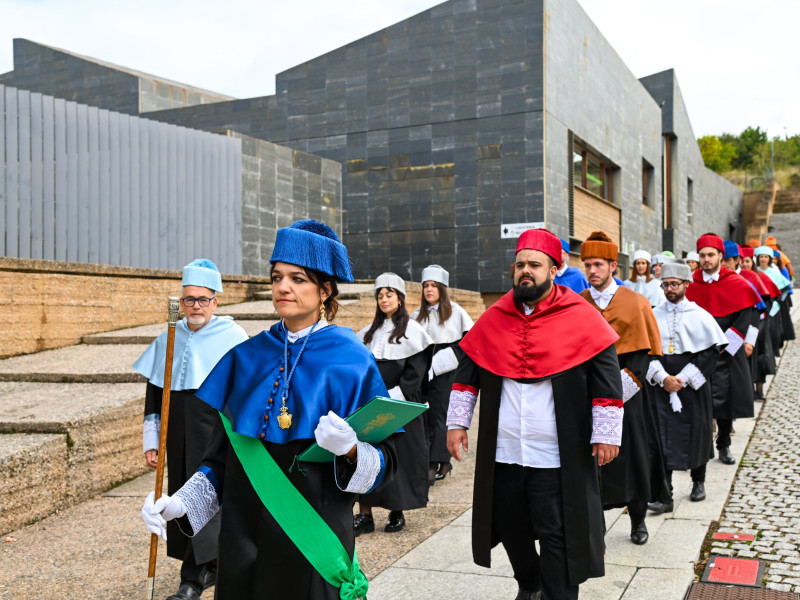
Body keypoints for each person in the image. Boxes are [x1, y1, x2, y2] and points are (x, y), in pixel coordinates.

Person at [141, 220, 398, 600]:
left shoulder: (353, 359)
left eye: (298, 278)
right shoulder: (246, 356)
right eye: (277, 277)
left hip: (312, 540)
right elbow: (221, 460)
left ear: (325, 290)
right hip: (242, 540)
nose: (283, 287)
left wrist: (351, 449)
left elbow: (388, 462)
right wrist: (180, 502)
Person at [446, 227, 623, 600]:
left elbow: (607, 380)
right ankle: (529, 584)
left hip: (557, 455)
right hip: (506, 453)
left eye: (535, 265)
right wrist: (457, 423)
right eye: (520, 264)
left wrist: (607, 432)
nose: (526, 271)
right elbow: (467, 375)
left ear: (554, 269)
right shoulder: (495, 317)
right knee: (511, 528)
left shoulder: (582, 316)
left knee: (559, 533)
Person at [133, 259, 248, 600]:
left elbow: (242, 391)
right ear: (180, 302)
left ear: (216, 301)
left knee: (212, 495)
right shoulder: (170, 335)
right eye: (188, 300)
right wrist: (153, 440)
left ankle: (194, 578)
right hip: (178, 434)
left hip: (216, 432)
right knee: (179, 496)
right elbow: (155, 393)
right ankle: (204, 565)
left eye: (202, 299)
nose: (195, 306)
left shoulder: (233, 338)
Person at [579, 232, 669, 546]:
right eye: (588, 264)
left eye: (599, 264)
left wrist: (614, 398)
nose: (592, 270)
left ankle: (638, 521)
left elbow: (642, 360)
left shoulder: (636, 303)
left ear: (613, 266)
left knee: (634, 460)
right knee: (592, 464)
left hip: (628, 396)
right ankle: (596, 523)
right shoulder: (578, 305)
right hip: (588, 397)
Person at [355, 273, 434, 534]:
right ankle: (364, 515)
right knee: (367, 457)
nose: (384, 300)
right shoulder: (367, 333)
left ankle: (396, 511)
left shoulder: (415, 333)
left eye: (389, 295)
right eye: (380, 296)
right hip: (371, 405)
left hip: (400, 405)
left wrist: (390, 401)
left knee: (399, 458)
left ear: (400, 299)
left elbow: (414, 375)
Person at [646, 261, 727, 513]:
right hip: (661, 380)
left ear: (686, 285)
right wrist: (662, 378)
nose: (669, 289)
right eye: (665, 284)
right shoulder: (652, 314)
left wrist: (683, 378)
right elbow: (644, 351)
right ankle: (664, 493)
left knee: (697, 431)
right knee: (661, 436)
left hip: (692, 382)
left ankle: (698, 481)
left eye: (674, 284)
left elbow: (711, 352)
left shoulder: (700, 315)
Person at [685, 233, 761, 466]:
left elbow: (745, 316)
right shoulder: (690, 282)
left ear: (720, 256)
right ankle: (700, 447)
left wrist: (728, 345)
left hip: (728, 351)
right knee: (697, 401)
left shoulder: (736, 283)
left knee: (726, 401)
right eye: (702, 255)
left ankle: (724, 443)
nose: (706, 259)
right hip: (698, 351)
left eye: (711, 255)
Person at [410, 265, 474, 485]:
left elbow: (467, 343)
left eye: (433, 286)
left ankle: (435, 462)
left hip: (447, 371)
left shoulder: (456, 312)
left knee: (441, 415)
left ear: (442, 289)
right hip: (423, 372)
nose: (429, 290)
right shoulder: (416, 315)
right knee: (425, 415)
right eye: (426, 286)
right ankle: (431, 460)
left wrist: (442, 361)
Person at [737, 246, 776, 401]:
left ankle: (759, 390)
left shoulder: (755, 277)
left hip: (758, 324)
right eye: (743, 262)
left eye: (748, 261)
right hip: (741, 324)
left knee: (759, 358)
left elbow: (768, 299)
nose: (745, 265)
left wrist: (763, 317)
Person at [756, 245, 794, 349]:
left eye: (766, 257)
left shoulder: (774, 272)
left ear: (769, 259)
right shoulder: (754, 272)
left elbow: (784, 289)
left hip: (772, 307)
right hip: (757, 306)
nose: (763, 259)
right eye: (761, 256)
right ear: (758, 258)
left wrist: (778, 303)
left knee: (771, 332)